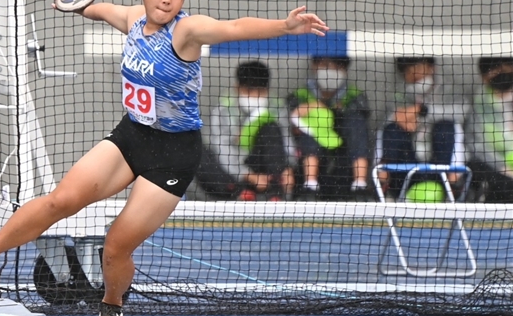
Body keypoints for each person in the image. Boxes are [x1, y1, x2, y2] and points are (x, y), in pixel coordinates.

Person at [0, 0, 328, 316]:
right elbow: (100, 10)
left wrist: (285, 25)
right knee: (59, 201)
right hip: (131, 136)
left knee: (116, 246)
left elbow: (234, 27)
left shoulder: (187, 31)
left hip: (174, 155)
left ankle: (112, 305)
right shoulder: (132, 19)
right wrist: (74, 4)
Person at [197, 61, 294, 201]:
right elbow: (222, 149)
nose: (254, 96)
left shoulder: (277, 108)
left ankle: (275, 193)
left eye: (260, 91)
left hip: (264, 167)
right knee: (198, 151)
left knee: (271, 129)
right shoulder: (223, 110)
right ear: (237, 88)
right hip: (233, 173)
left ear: (267, 90)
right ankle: (239, 194)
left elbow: (287, 142)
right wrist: (247, 175)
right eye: (249, 90)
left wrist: (288, 168)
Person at [376, 57, 467, 202]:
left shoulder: (449, 89)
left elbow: (462, 111)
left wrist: (421, 110)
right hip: (407, 165)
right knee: (392, 130)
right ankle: (383, 184)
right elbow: (389, 118)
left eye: (418, 68)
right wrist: (401, 119)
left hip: (440, 164)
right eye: (409, 72)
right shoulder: (398, 93)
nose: (415, 75)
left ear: (432, 67)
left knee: (446, 127)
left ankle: (453, 186)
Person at [287, 55, 372, 201]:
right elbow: (293, 125)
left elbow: (362, 119)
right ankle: (310, 186)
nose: (331, 70)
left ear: (345, 70)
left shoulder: (355, 95)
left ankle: (360, 186)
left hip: (344, 159)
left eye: (337, 67)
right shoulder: (300, 94)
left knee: (356, 123)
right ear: (314, 66)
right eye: (326, 65)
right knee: (312, 127)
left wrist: (326, 108)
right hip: (311, 154)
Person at [466, 57, 513, 203]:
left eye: (504, 69)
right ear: (485, 77)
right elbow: (476, 145)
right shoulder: (479, 101)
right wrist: (503, 167)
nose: (501, 74)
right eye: (495, 71)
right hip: (494, 166)